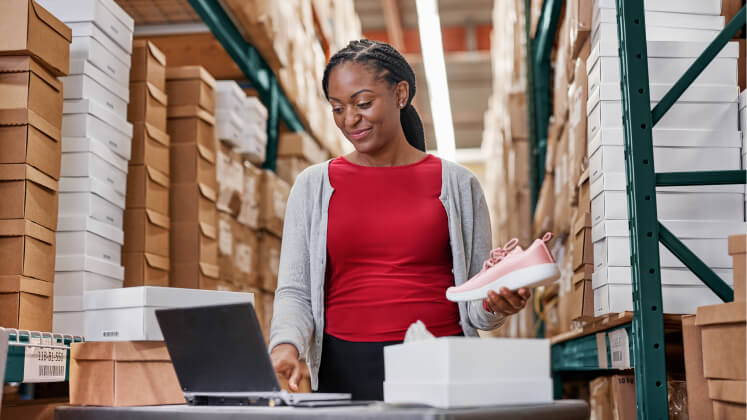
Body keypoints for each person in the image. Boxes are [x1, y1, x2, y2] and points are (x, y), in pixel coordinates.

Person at [269, 39, 531, 401]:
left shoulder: (457, 184)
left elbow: (476, 302)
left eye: (363, 103)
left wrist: (495, 303)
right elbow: (295, 290)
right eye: (337, 108)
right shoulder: (314, 186)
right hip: (345, 366)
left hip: (441, 361)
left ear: (401, 93)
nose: (350, 119)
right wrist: (286, 345)